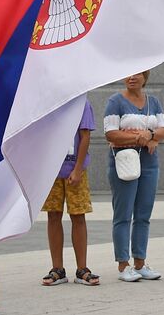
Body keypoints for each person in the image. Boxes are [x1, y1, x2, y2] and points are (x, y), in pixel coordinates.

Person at [104, 70, 164, 283]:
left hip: (150, 164)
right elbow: (111, 133)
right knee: (123, 215)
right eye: (129, 74)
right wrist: (142, 138)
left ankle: (140, 263)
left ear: (145, 77)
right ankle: (124, 265)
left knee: (143, 215)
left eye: (138, 74)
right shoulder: (115, 101)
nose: (132, 77)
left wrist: (150, 135)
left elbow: (163, 131)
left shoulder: (154, 101)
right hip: (124, 163)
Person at [41, 97, 100, 287]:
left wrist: (77, 168)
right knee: (53, 216)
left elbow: (85, 136)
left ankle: (82, 269)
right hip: (51, 170)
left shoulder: (81, 102)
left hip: (75, 170)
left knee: (78, 216)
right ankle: (57, 268)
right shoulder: (49, 101)